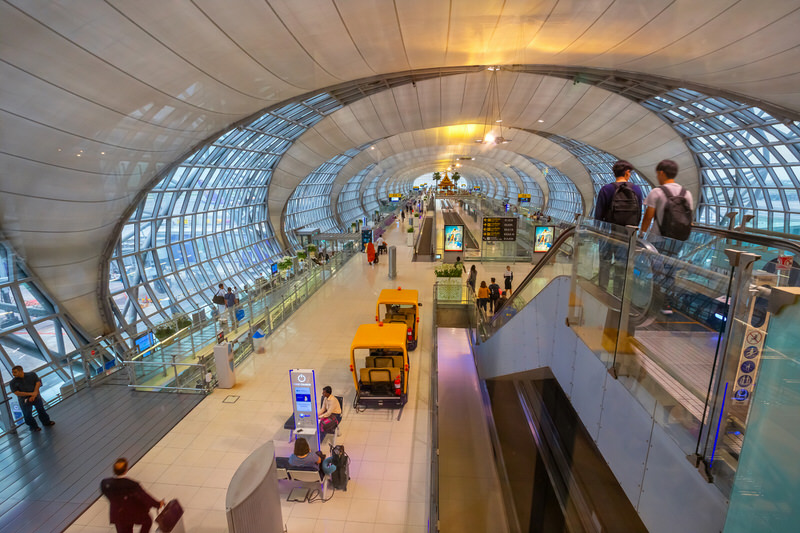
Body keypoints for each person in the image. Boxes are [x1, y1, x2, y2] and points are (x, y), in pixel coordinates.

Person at [640, 159, 694, 315]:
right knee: (671, 270)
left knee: (655, 270)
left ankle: (652, 302)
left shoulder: (657, 192)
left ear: (661, 173)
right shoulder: (687, 194)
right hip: (677, 240)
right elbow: (689, 219)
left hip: (658, 238)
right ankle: (667, 304)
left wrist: (642, 234)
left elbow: (649, 216)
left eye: (658, 173)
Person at [594, 160, 644, 297]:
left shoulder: (606, 189)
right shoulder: (637, 190)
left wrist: (596, 232)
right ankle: (617, 295)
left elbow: (598, 215)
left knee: (604, 263)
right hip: (626, 235)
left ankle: (602, 291)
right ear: (627, 172)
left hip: (608, 233)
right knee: (621, 266)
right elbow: (639, 213)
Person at [100, 458, 164, 533]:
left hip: (118, 514)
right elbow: (145, 497)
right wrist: (158, 504)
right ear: (126, 470)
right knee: (147, 520)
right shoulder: (132, 484)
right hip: (133, 513)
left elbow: (107, 494)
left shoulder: (105, 483)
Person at [10, 366, 55, 432]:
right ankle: (33, 427)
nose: (13, 374)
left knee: (41, 410)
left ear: (21, 371)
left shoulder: (32, 375)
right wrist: (31, 394)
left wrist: (34, 394)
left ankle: (46, 422)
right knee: (27, 414)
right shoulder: (13, 382)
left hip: (36, 396)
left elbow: (38, 383)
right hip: (24, 400)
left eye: (15, 372)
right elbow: (17, 393)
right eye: (13, 372)